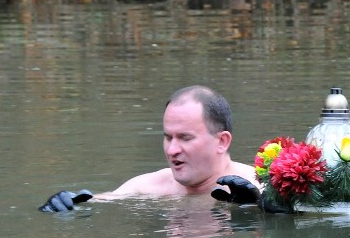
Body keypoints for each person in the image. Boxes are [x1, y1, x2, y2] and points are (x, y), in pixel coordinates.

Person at [39, 85, 271, 212]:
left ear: (222, 142)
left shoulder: (260, 188)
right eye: (168, 137)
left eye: (185, 138)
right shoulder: (147, 187)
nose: (172, 150)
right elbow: (96, 203)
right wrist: (63, 204)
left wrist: (258, 208)